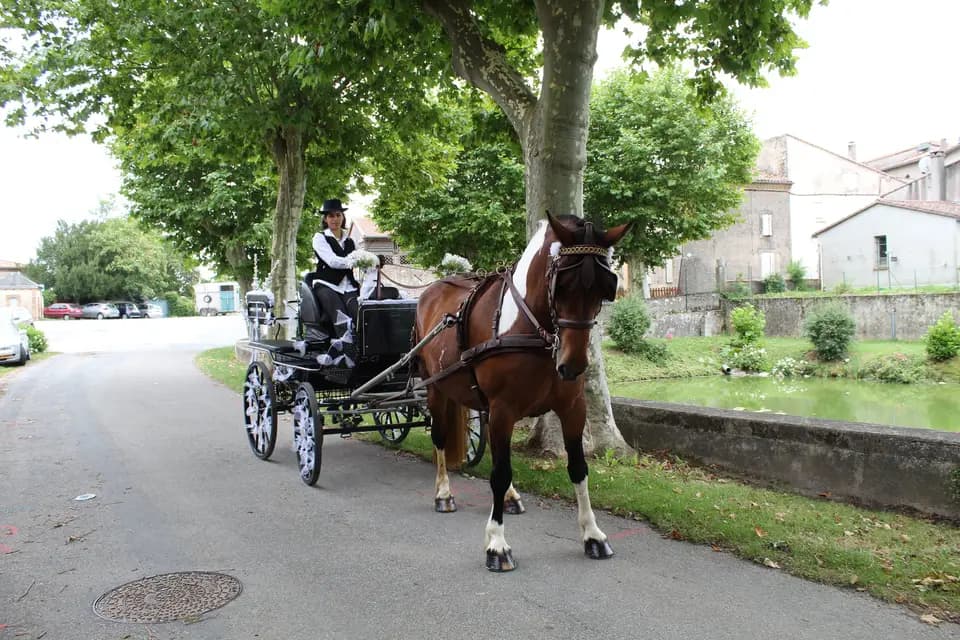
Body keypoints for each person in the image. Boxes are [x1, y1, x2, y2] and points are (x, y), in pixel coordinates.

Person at [310, 198, 363, 367]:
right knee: (342, 318)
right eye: (330, 216)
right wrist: (356, 260)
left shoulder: (349, 240)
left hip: (348, 285)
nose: (335, 219)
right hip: (326, 284)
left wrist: (369, 262)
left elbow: (357, 262)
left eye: (338, 215)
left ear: (342, 217)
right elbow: (332, 261)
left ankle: (367, 357)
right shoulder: (320, 238)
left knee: (361, 315)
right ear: (325, 219)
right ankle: (348, 361)